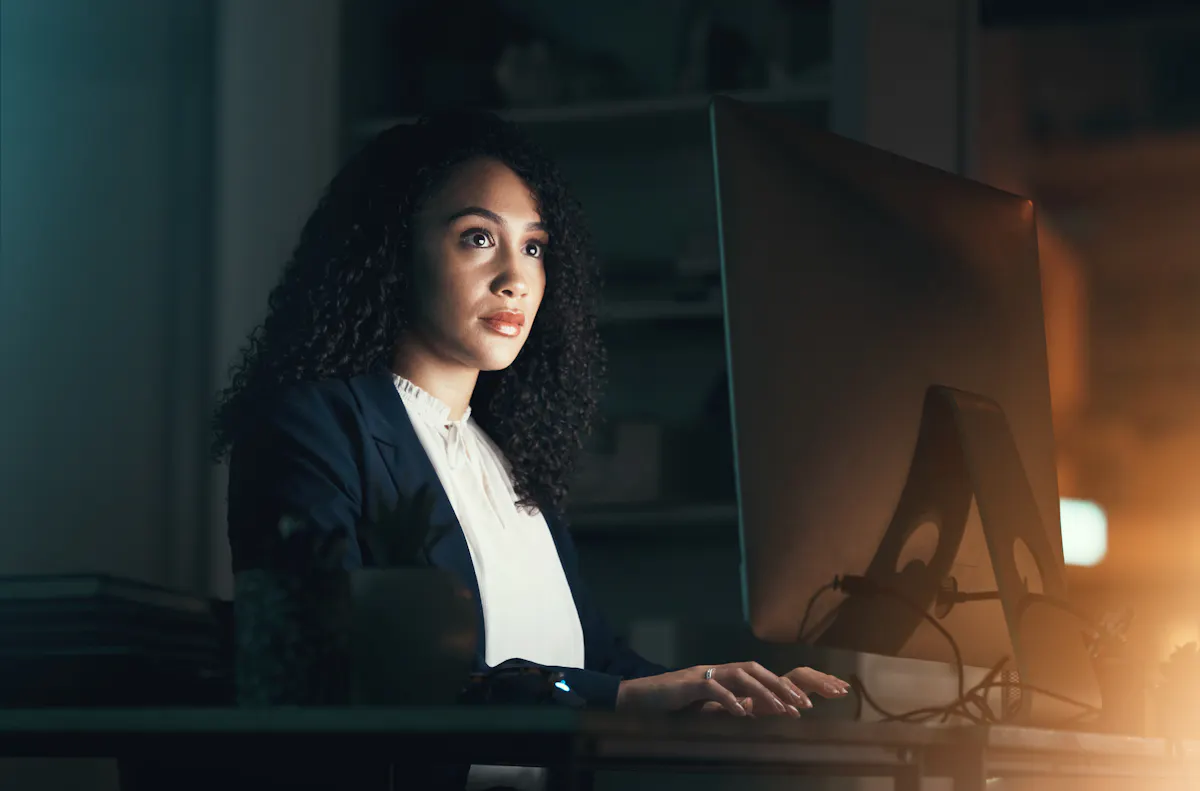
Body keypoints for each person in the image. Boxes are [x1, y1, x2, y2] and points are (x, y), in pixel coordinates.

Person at [214, 110, 848, 787]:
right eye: (478, 238)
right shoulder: (312, 427)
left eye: (535, 247)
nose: (515, 276)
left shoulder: (504, 456)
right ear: (391, 251)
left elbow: (590, 658)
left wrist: (725, 690)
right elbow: (336, 672)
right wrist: (620, 698)